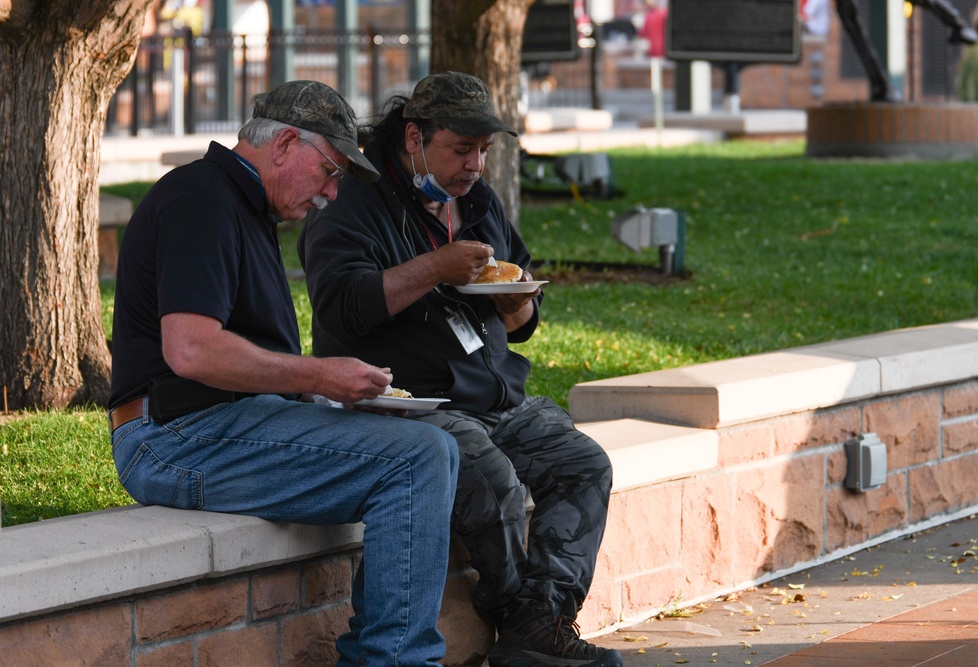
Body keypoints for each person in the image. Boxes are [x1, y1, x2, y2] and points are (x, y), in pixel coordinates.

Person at [108, 80, 460, 667]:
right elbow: (192, 351)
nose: (330, 192)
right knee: (418, 457)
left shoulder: (240, 205)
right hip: (170, 438)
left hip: (207, 425)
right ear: (285, 143)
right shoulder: (201, 197)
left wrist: (337, 405)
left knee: (433, 448)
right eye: (328, 171)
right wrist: (320, 378)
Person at [298, 71, 622, 667]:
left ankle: (542, 622)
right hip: (407, 401)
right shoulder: (353, 203)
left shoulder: (476, 201)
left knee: (583, 464)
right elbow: (341, 306)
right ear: (415, 136)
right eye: (461, 149)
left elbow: (524, 313)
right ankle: (520, 619)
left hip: (492, 391)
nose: (474, 164)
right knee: (487, 474)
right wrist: (435, 267)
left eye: (484, 151)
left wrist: (515, 301)